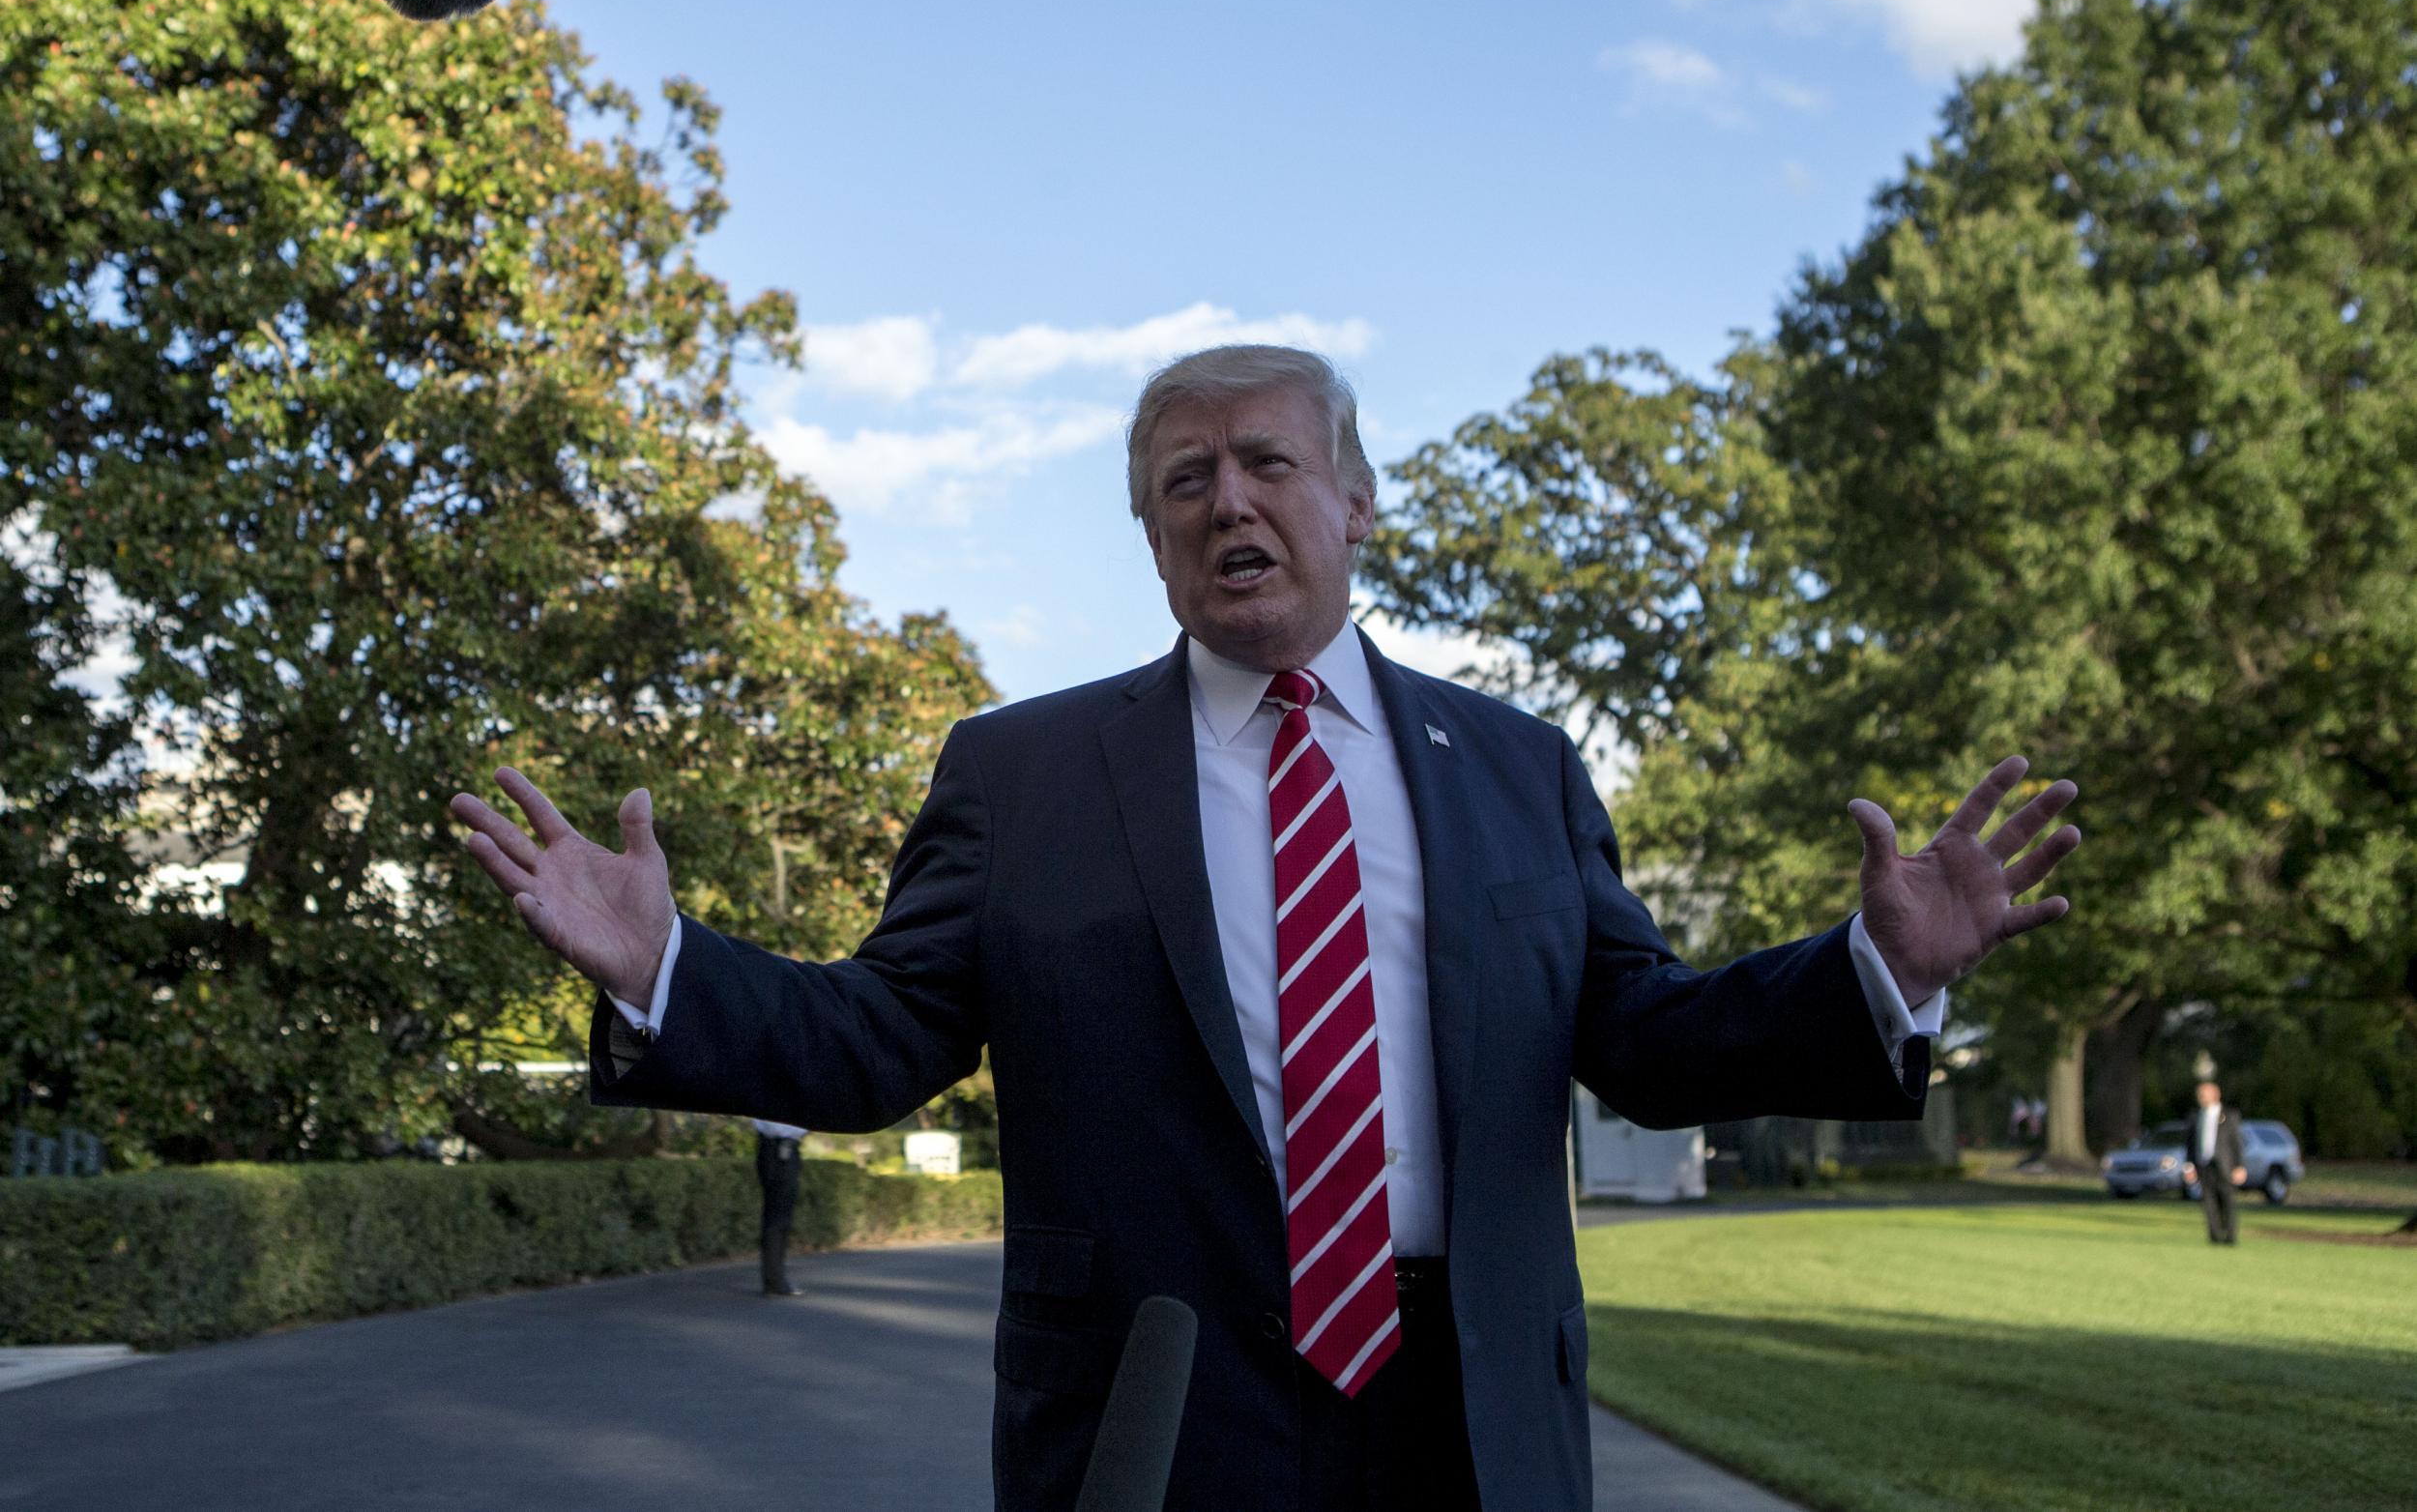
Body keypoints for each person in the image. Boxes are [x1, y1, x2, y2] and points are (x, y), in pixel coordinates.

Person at [449, 345, 2082, 1512]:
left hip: (1472, 1405)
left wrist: (1879, 970)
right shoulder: (1026, 772)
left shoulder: (1517, 765)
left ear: (1357, 502)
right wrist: (667, 965)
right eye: (1184, 481)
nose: (1228, 500)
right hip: (1161, 1406)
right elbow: (880, 1035)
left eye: (1267, 464)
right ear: (1153, 536)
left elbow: (1641, 1036)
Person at [2181, 1079, 2247, 1246]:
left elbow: (2237, 1143)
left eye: (2204, 1093)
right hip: (2204, 1164)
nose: (2201, 1097)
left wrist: (2239, 1166)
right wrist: (2189, 1166)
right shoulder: (2195, 1116)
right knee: (2208, 1202)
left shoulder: (2229, 1115)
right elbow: (2189, 1144)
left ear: (2216, 1094)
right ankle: (2215, 1236)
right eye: (2199, 1094)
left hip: (2224, 1165)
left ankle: (2230, 1235)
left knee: (2227, 1201)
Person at [751, 1117, 807, 1294]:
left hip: (781, 1148)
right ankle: (774, 1281)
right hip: (779, 1149)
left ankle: (775, 1278)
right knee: (778, 1216)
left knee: (778, 1216)